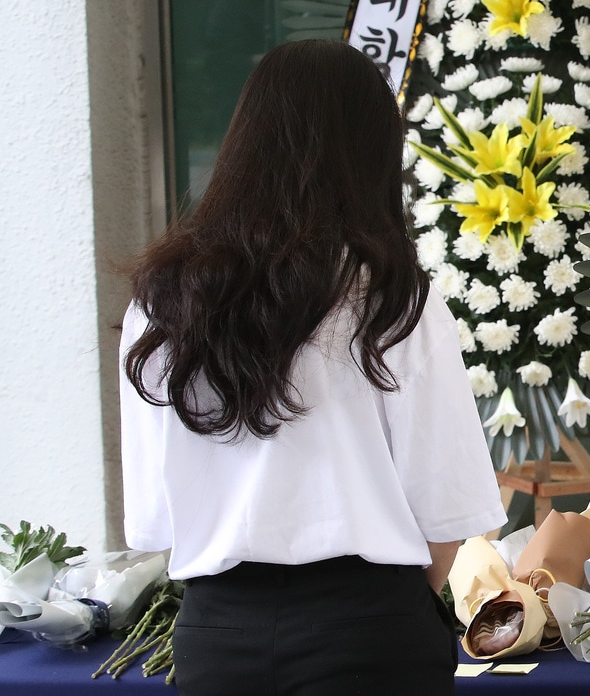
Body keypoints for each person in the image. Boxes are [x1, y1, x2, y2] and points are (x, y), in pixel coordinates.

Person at [119, 39, 506, 695]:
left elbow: (155, 519)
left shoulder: (163, 299)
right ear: (373, 151)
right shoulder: (393, 296)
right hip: (370, 628)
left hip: (219, 635)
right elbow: (448, 510)